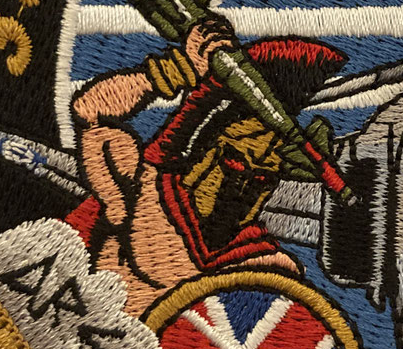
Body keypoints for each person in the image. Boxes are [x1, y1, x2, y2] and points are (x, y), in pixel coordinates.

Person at [66, 17, 346, 318]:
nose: (244, 184)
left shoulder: (265, 264)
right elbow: (90, 111)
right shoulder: (142, 189)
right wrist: (178, 69)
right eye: (235, 163)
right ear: (207, 148)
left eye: (263, 177)